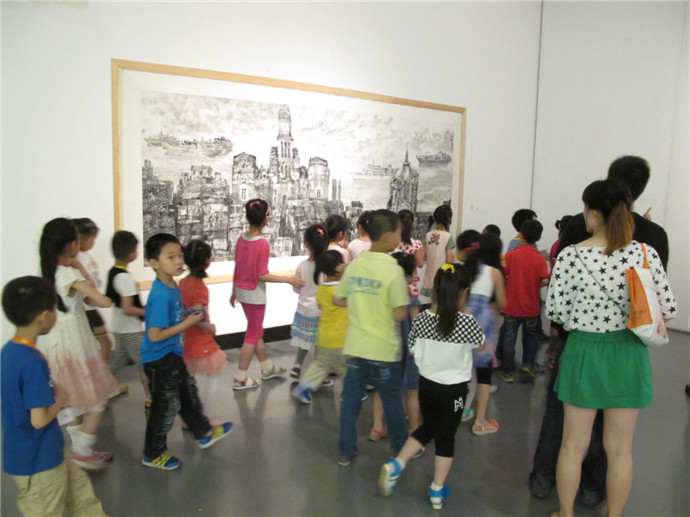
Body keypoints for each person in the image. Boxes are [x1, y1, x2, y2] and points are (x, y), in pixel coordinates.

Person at [530, 155, 671, 504]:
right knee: (620, 450)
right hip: (628, 354)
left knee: (571, 444)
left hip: (583, 353)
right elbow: (667, 309)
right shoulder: (648, 250)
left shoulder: (571, 255)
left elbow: (556, 312)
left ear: (592, 212)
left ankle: (563, 510)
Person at [378, 264, 485, 510]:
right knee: (446, 437)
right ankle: (437, 490)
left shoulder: (422, 319)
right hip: (454, 391)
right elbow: (481, 346)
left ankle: (397, 464)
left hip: (427, 386)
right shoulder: (467, 323)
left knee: (428, 427)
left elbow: (412, 349)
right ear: (464, 293)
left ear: (435, 290)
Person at [2, 276, 108, 517]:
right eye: (54, 309)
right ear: (44, 316)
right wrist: (61, 397)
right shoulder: (32, 362)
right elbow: (39, 420)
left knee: (80, 492)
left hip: (43, 451)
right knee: (46, 509)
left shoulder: (9, 352)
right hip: (39, 461)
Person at [141, 233, 232, 470]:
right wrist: (188, 322)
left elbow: (175, 315)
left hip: (172, 354)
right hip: (159, 358)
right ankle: (152, 454)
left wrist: (187, 316)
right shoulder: (160, 294)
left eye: (180, 255)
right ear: (154, 263)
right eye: (171, 257)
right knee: (164, 409)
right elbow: (155, 335)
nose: (179, 261)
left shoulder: (173, 286)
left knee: (187, 394)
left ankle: (204, 432)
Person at [38, 218, 118, 470]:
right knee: (97, 398)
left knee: (72, 395)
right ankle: (81, 449)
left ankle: (80, 447)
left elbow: (88, 300)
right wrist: (82, 269)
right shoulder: (69, 274)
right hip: (74, 341)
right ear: (72, 244)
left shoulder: (50, 270)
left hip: (59, 339)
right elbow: (102, 301)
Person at [333, 209, 410, 467]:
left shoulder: (356, 264)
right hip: (383, 351)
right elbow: (400, 313)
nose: (400, 236)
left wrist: (360, 301)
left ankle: (345, 451)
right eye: (398, 232)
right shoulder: (393, 270)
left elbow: (337, 299)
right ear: (388, 236)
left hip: (355, 348)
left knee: (350, 402)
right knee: (392, 402)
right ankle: (400, 450)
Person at [230, 199, 304, 389]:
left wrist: (233, 291)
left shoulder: (241, 239)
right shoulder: (262, 244)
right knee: (252, 334)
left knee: (256, 331)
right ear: (265, 218)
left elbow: (238, 268)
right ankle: (240, 377)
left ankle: (266, 368)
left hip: (242, 292)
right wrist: (288, 279)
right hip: (254, 294)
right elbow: (261, 274)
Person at [180, 239, 235, 426]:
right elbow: (197, 315)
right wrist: (209, 328)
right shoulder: (200, 288)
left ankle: (189, 419)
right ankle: (206, 417)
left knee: (190, 381)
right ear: (207, 261)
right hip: (201, 341)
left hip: (187, 339)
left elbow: (186, 310)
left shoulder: (183, 282)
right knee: (213, 378)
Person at [369, 253, 422, 443]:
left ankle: (377, 428)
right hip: (408, 352)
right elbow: (417, 327)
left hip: (385, 348)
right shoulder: (411, 300)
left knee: (382, 389)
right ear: (405, 275)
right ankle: (413, 430)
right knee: (412, 391)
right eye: (413, 272)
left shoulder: (383, 296)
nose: (415, 275)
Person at [459, 231, 506, 435]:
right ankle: (480, 422)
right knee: (484, 374)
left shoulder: (460, 271)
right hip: (483, 327)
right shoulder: (493, 273)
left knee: (461, 371)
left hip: (461, 323)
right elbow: (502, 303)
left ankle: (458, 411)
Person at [497, 219, 549, 383]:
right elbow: (545, 280)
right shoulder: (540, 259)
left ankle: (508, 371)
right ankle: (528, 364)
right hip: (531, 306)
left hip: (512, 305)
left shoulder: (511, 255)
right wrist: (534, 284)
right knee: (531, 338)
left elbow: (502, 274)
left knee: (509, 338)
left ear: (520, 235)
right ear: (539, 238)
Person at [291, 250, 347, 403]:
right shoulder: (341, 290)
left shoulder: (322, 288)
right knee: (347, 369)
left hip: (323, 337)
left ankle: (303, 387)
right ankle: (350, 393)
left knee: (320, 366)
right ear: (339, 268)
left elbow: (321, 306)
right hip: (341, 339)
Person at [106, 230, 151, 412]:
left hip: (119, 327)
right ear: (131, 253)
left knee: (117, 362)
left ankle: (100, 390)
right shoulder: (124, 277)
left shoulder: (113, 272)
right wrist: (148, 312)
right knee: (145, 364)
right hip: (130, 330)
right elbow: (128, 308)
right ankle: (151, 399)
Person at [73, 218, 115, 369]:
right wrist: (98, 299)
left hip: (90, 307)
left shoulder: (81, 256)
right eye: (92, 239)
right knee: (104, 343)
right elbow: (85, 286)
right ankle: (99, 374)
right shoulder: (79, 258)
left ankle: (99, 374)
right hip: (88, 308)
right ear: (81, 238)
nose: (94, 243)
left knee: (102, 342)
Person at [289, 224, 329, 378]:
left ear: (306, 244)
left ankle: (297, 365)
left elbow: (297, 289)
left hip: (304, 311)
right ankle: (319, 376)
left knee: (304, 342)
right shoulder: (327, 267)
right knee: (320, 345)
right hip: (321, 312)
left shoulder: (302, 266)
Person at [420, 204, 455, 299]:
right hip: (441, 277)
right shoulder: (447, 236)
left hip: (428, 277)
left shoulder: (428, 235)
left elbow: (423, 257)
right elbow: (449, 260)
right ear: (449, 219)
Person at [392, 209, 425, 298]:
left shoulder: (391, 243)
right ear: (412, 224)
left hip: (393, 282)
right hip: (410, 282)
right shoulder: (416, 244)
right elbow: (420, 264)